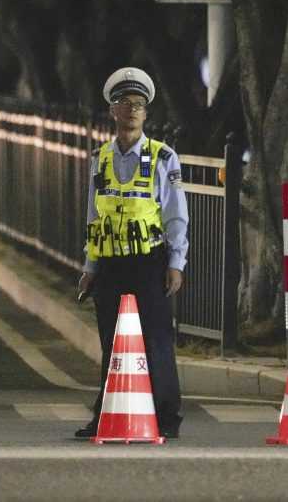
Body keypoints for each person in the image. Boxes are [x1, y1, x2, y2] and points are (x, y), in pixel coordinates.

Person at [74, 67, 189, 439]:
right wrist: (90, 266)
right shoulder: (100, 158)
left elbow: (175, 215)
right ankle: (105, 414)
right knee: (111, 341)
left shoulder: (162, 157)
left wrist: (176, 263)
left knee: (156, 339)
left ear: (146, 112)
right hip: (110, 263)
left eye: (139, 104)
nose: (133, 109)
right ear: (113, 110)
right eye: (125, 103)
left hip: (148, 261)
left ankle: (166, 417)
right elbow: (94, 215)